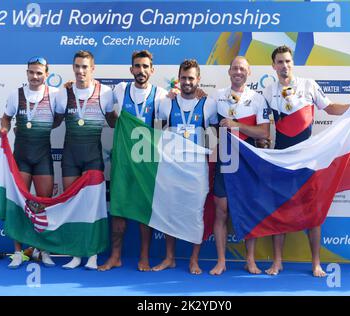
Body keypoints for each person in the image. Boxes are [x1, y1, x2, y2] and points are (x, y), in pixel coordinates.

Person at [263, 45, 350, 277]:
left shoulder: (308, 85)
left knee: (312, 212)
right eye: (280, 62)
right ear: (273, 66)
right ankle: (277, 262)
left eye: (288, 61)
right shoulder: (268, 91)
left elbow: (331, 108)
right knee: (279, 209)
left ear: (293, 63)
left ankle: (316, 263)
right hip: (281, 158)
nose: (285, 66)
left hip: (307, 159)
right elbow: (261, 124)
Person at [97, 50, 167, 272]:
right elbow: (108, 113)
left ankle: (144, 256)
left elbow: (167, 123)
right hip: (123, 159)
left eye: (145, 66)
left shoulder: (161, 95)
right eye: (137, 66)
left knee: (144, 209)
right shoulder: (120, 90)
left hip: (147, 159)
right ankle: (115, 256)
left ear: (152, 70)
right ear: (131, 70)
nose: (141, 71)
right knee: (118, 207)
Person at [154, 59, 218, 274]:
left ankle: (194, 260)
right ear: (178, 79)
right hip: (171, 166)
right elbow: (157, 131)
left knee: (195, 212)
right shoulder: (165, 102)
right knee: (170, 210)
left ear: (198, 80)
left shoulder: (209, 104)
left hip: (196, 168)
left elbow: (215, 135)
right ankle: (170, 258)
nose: (187, 82)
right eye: (183, 78)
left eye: (191, 78)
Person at [0, 56, 59, 268]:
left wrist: (47, 125)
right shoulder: (16, 94)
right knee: (18, 205)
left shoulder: (55, 95)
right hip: (21, 158)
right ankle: (17, 252)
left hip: (43, 158)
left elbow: (59, 117)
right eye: (31, 72)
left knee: (43, 205)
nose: (35, 76)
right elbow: (6, 117)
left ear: (46, 74)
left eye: (39, 73)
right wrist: (4, 128)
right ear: (27, 72)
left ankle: (43, 250)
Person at [210, 56, 270, 276]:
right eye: (235, 68)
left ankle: (250, 261)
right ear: (229, 72)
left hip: (248, 162)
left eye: (242, 69)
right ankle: (221, 261)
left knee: (248, 210)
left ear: (249, 72)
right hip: (225, 160)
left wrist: (236, 125)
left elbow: (264, 132)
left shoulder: (257, 98)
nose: (238, 72)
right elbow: (201, 119)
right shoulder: (216, 97)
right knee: (221, 211)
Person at [55, 50, 114, 269]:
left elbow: (115, 120)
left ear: (93, 69)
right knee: (71, 205)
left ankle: (93, 254)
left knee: (93, 207)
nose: (80, 71)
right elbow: (53, 123)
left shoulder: (106, 93)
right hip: (70, 158)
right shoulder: (63, 93)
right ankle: (76, 254)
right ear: (73, 68)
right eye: (77, 66)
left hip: (93, 159)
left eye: (85, 67)